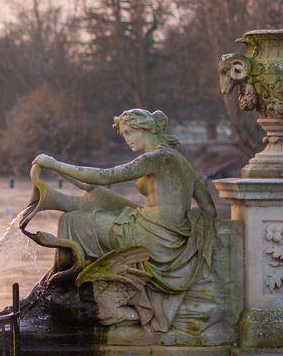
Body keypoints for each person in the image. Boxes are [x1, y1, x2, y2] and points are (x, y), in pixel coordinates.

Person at [24, 108, 217, 332]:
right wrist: (183, 227)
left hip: (155, 238)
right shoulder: (180, 161)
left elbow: (107, 176)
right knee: (98, 196)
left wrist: (54, 164)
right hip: (165, 233)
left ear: (144, 129)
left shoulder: (156, 158)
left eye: (128, 132)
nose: (126, 140)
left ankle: (66, 292)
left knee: (72, 221)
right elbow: (209, 209)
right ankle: (59, 288)